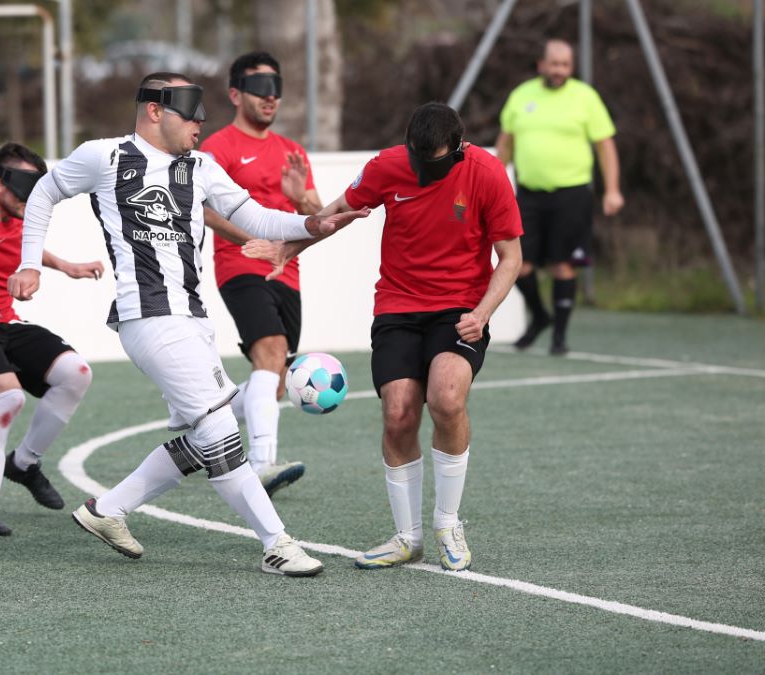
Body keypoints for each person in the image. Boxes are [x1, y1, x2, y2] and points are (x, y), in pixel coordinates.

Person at [9, 72, 369, 577]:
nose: (201, 123)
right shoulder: (104, 156)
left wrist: (312, 224)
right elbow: (44, 192)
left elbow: (259, 218)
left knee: (205, 435)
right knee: (219, 428)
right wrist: (30, 262)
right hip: (148, 316)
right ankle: (277, 543)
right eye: (190, 112)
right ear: (155, 110)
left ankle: (107, 509)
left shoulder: (200, 167)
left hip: (194, 320)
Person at [246, 102, 522, 571]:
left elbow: (510, 257)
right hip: (398, 304)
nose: (421, 169)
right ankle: (406, 537)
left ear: (457, 150)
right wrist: (291, 245)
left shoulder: (487, 173)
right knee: (398, 415)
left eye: (431, 161)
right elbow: (338, 211)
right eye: (417, 159)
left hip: (460, 308)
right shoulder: (388, 166)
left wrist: (482, 313)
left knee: (447, 399)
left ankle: (447, 522)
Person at [0, 142, 103, 536]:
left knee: (76, 373)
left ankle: (24, 463)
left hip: (6, 323)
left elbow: (24, 247)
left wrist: (67, 266)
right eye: (25, 190)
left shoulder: (18, 218)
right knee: (9, 397)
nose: (30, 201)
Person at [200, 51, 322, 497]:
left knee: (271, 380)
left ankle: (205, 425)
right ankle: (261, 466)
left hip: (286, 273)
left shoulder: (293, 152)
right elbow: (205, 210)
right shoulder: (217, 149)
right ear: (236, 94)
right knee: (270, 352)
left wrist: (302, 199)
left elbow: (317, 213)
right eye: (259, 89)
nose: (271, 98)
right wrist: (246, 241)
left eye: (276, 88)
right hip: (240, 267)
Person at [496, 38, 624, 355]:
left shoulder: (586, 98)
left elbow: (605, 146)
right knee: (517, 262)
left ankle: (559, 337)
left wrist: (612, 189)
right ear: (541, 65)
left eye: (565, 64)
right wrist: (496, 184)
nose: (559, 70)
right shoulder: (521, 96)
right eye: (554, 64)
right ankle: (540, 316)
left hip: (572, 193)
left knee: (563, 265)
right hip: (528, 194)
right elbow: (505, 144)